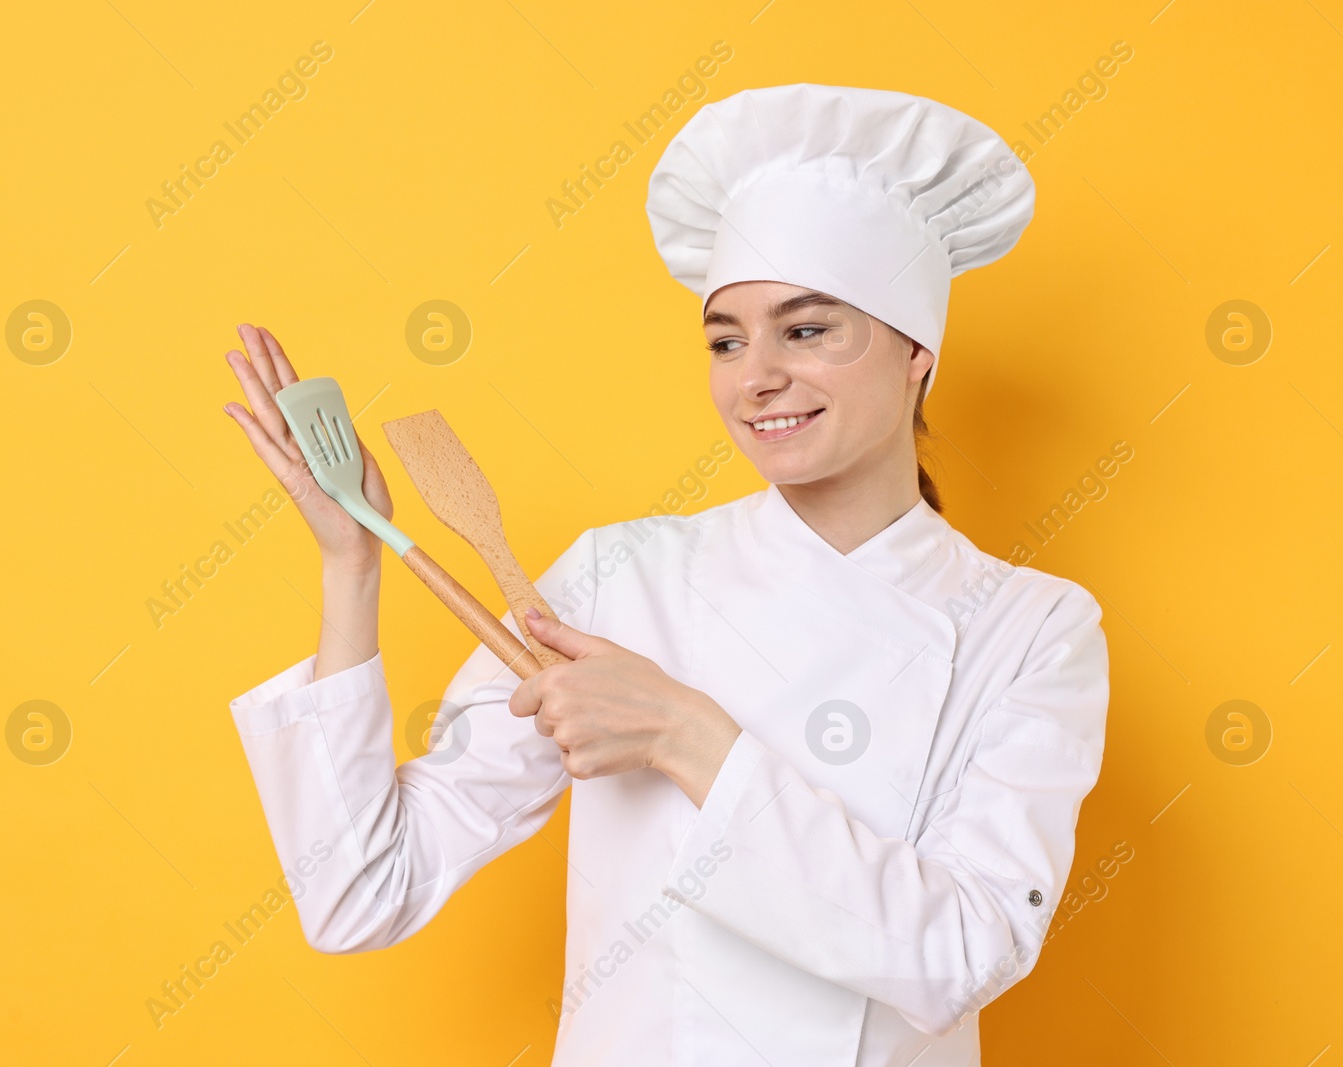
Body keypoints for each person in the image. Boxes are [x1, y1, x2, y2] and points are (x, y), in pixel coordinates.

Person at [221, 83, 1109, 1066]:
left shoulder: (1031, 629)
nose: (755, 374)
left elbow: (956, 957)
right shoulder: (619, 577)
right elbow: (360, 890)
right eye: (725, 339)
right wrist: (352, 560)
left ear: (915, 351)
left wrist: (684, 732)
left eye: (807, 329)